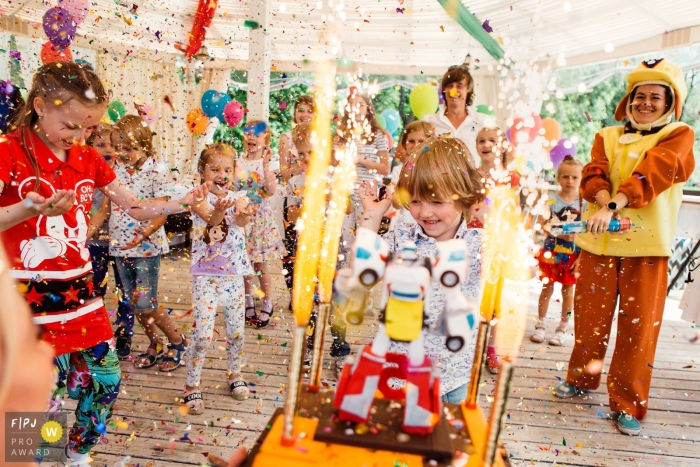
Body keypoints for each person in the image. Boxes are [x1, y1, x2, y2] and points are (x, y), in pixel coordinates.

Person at [0, 61, 208, 466]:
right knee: (33, 391)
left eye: (89, 129)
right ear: (40, 106)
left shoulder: (88, 160)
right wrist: (25, 210)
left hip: (80, 296)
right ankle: (20, 457)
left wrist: (182, 202)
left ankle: (78, 453)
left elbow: (133, 206)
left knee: (106, 379)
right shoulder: (8, 152)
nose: (81, 137)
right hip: (24, 298)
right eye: (72, 125)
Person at [554, 59, 696, 436]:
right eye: (639, 96)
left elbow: (655, 171)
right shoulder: (607, 133)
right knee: (589, 320)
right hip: (598, 245)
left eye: (654, 97)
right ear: (628, 100)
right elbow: (593, 171)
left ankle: (629, 403)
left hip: (646, 247)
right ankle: (582, 380)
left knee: (638, 329)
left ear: (670, 103)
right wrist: (602, 199)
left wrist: (614, 204)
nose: (645, 103)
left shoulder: (679, 134)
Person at [358, 135, 485, 403]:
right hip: (397, 373)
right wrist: (372, 216)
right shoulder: (402, 235)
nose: (425, 212)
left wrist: (495, 224)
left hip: (452, 379)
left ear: (464, 198)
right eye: (416, 201)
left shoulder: (477, 243)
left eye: (437, 202)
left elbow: (522, 271)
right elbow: (361, 272)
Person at [103, 114, 188, 372]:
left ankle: (177, 340)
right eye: (118, 148)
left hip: (146, 248)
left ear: (143, 144)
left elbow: (162, 209)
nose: (122, 153)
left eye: (128, 148)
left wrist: (146, 231)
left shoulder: (156, 171)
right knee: (131, 300)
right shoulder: (114, 171)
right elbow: (107, 208)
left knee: (145, 301)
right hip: (119, 247)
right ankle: (155, 343)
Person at [183, 143, 253, 414]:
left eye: (227, 169)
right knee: (202, 334)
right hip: (205, 277)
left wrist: (243, 213)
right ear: (202, 172)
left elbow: (244, 222)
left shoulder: (240, 196)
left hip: (234, 276)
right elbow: (212, 222)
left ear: (234, 172)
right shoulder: (197, 196)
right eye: (215, 169)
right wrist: (223, 210)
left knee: (236, 330)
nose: (222, 174)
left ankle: (235, 373)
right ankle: (191, 384)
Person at [86, 123, 133, 359]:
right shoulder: (85, 170)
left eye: (113, 145)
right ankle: (97, 331)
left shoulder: (123, 172)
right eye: (101, 144)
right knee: (95, 287)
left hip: (122, 241)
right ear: (90, 146)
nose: (108, 149)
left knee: (125, 288)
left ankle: (125, 330)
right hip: (94, 241)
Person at [531, 157, 584, 346]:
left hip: (573, 255)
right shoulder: (551, 201)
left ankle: (563, 326)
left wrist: (582, 256)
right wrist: (560, 233)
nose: (570, 180)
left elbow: (585, 234)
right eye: (565, 176)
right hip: (551, 253)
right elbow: (542, 225)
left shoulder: (583, 205)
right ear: (558, 178)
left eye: (575, 177)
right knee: (546, 288)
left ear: (581, 179)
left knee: (568, 291)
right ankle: (541, 323)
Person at [238, 120, 286, 327]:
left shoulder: (270, 163)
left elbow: (271, 190)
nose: (251, 137)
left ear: (266, 140)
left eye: (256, 135)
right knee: (244, 263)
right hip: (242, 220)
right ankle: (248, 298)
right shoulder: (238, 162)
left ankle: (267, 300)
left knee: (260, 264)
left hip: (260, 220)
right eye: (248, 134)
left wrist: (265, 166)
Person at [336, 92, 390, 264]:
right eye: (353, 105)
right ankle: (346, 278)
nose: (357, 109)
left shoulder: (378, 135)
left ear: (368, 109)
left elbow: (385, 168)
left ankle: (362, 276)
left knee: (364, 237)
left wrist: (362, 160)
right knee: (345, 240)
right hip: (344, 194)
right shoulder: (341, 135)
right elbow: (332, 164)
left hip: (366, 194)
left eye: (360, 105)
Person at [423, 64, 487, 163]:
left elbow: (500, 151)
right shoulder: (429, 121)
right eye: (449, 86)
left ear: (468, 90)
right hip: (439, 178)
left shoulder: (483, 121)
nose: (454, 90)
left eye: (459, 86)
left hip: (473, 177)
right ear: (444, 90)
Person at [282, 122, 312, 295]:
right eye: (301, 153)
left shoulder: (331, 180)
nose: (306, 158)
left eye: (311, 152)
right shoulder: (295, 182)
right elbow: (292, 215)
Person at [387, 121, 434, 228]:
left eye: (421, 141)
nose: (416, 145)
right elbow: (397, 204)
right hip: (403, 226)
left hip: (427, 225)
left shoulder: (436, 171)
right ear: (404, 144)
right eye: (411, 141)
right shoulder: (398, 171)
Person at [278, 95, 314, 184]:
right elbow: (284, 177)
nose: (305, 115)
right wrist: (297, 168)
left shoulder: (320, 138)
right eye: (301, 111)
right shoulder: (286, 139)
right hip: (295, 189)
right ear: (294, 113)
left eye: (310, 111)